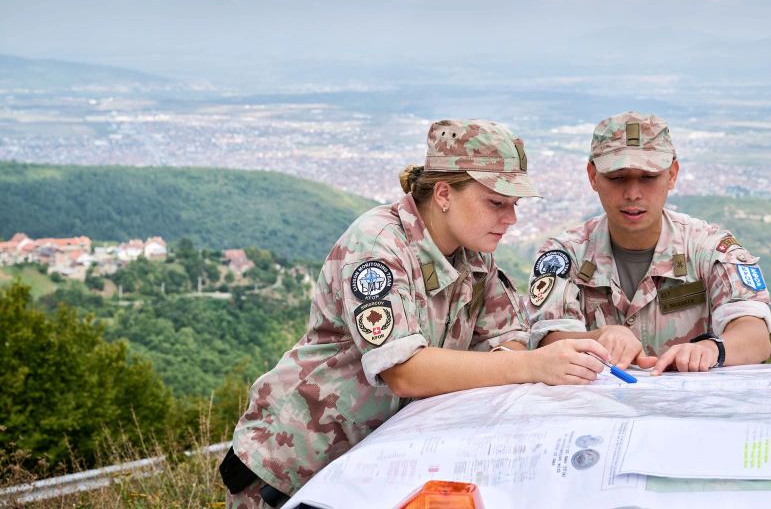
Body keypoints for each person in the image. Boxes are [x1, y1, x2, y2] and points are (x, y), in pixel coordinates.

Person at [220, 119, 611, 508]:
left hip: (371, 468)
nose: (510, 219)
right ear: (444, 193)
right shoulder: (378, 246)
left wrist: (518, 356)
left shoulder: (473, 253)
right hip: (292, 470)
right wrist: (530, 365)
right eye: (496, 203)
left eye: (514, 205)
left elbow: (507, 336)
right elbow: (404, 371)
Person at [526, 111, 771, 375]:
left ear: (672, 174)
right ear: (593, 176)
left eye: (648, 177)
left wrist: (712, 349)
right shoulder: (565, 255)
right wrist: (603, 336)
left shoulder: (708, 248)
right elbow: (549, 341)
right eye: (617, 177)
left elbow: (755, 335)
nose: (633, 194)